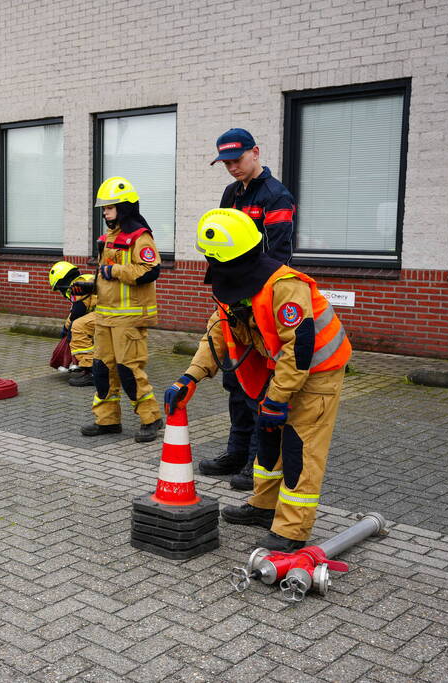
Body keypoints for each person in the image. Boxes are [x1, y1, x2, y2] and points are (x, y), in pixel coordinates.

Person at [164, 208, 350, 552]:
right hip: (279, 371)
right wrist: (189, 377)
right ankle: (264, 508)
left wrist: (278, 399)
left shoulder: (284, 287)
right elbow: (217, 335)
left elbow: (300, 348)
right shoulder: (234, 284)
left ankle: (292, 530)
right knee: (268, 441)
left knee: (300, 450)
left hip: (317, 376)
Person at [200, 128, 296, 491]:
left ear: (255, 152)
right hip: (234, 299)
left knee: (260, 384)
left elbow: (278, 256)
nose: (232, 168)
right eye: (225, 162)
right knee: (235, 382)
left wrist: (253, 301)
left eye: (237, 160)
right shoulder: (231, 193)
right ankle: (236, 452)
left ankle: (258, 459)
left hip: (260, 302)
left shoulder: (276, 196)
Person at [80, 177, 163, 443]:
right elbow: (106, 277)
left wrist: (114, 270)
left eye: (110, 207)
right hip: (105, 317)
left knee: (129, 371)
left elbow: (150, 271)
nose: (105, 212)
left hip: (129, 318)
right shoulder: (108, 239)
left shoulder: (140, 237)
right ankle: (107, 421)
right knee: (102, 370)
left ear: (125, 207)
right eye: (103, 208)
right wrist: (90, 287)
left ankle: (151, 419)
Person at [48, 261, 97, 387]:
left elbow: (78, 311)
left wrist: (69, 331)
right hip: (110, 311)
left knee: (78, 328)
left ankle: (91, 372)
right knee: (77, 326)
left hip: (107, 313)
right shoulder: (84, 279)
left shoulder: (76, 287)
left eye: (59, 288)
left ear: (62, 281)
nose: (61, 293)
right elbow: (75, 312)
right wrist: (65, 328)